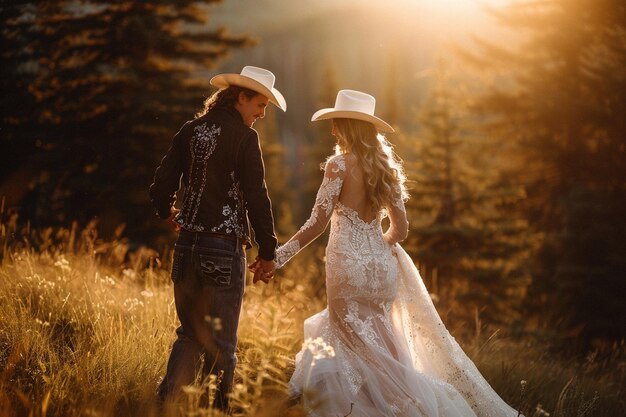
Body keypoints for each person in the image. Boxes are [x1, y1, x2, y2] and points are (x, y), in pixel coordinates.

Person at [271, 90, 521, 416]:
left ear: (346, 127)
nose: (332, 131)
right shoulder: (385, 169)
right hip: (381, 269)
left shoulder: (338, 165)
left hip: (347, 266)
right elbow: (400, 230)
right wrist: (375, 248)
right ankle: (399, 399)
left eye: (336, 124)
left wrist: (278, 256)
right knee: (382, 340)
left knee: (354, 342)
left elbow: (317, 223)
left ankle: (401, 407)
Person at [149, 65, 284, 409]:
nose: (263, 113)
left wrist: (168, 213)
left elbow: (162, 184)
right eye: (260, 104)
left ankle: (166, 407)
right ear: (241, 98)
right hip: (223, 249)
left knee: (190, 334)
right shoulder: (244, 137)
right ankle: (217, 411)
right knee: (222, 343)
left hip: (186, 247)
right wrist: (267, 251)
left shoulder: (190, 130)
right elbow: (256, 196)